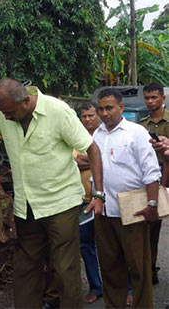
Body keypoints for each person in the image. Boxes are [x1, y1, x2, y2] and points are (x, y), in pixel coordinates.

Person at [0, 78, 104, 308]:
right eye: (3, 113)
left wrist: (98, 194)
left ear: (26, 100)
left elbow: (92, 148)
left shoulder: (58, 111)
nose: (6, 118)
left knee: (65, 267)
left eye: (10, 112)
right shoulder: (4, 113)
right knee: (25, 267)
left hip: (61, 203)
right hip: (26, 205)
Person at [94, 87, 161, 308]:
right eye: (101, 109)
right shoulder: (97, 134)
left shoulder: (136, 132)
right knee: (111, 268)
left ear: (121, 107)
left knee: (138, 268)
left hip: (133, 211)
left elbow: (151, 171)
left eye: (109, 108)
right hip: (104, 211)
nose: (104, 113)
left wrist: (152, 204)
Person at [139, 82, 168, 285]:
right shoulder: (142, 124)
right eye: (147, 98)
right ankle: (150, 270)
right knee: (151, 227)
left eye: (154, 97)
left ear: (163, 98)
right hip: (152, 179)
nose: (150, 101)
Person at [75, 103, 103, 304]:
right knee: (86, 246)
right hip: (83, 201)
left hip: (106, 200)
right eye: (83, 116)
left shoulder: (105, 134)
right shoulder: (75, 137)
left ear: (98, 115)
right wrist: (93, 159)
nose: (87, 119)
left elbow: (102, 161)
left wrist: (88, 159)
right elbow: (73, 161)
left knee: (114, 246)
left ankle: (127, 287)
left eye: (91, 115)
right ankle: (96, 286)